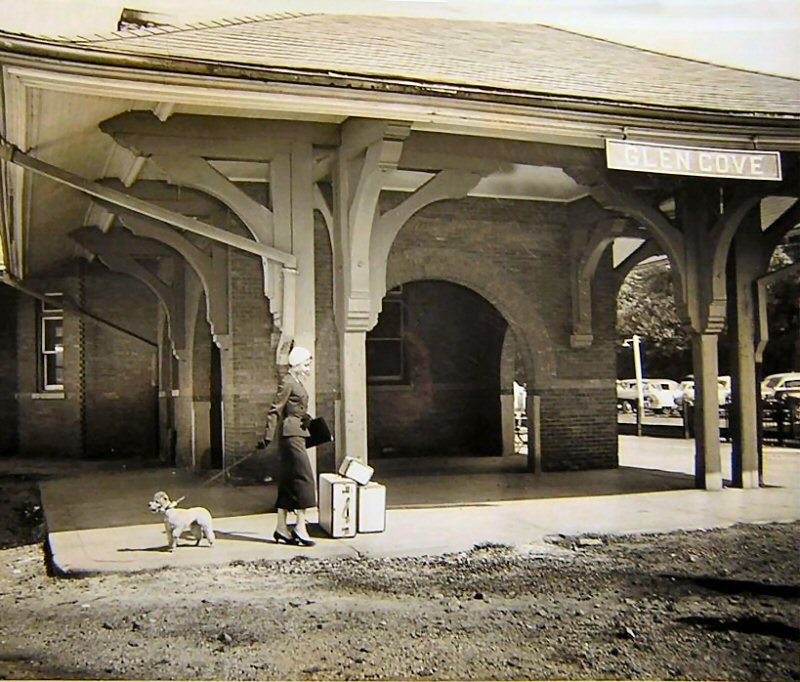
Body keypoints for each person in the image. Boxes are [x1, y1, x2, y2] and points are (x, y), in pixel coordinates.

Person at [263, 346, 317, 546]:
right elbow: (275, 409)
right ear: (296, 365)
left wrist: (307, 419)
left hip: (297, 432)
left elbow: (296, 409)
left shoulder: (296, 381)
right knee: (304, 479)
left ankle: (281, 528)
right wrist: (268, 436)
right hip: (291, 435)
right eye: (306, 364)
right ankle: (300, 527)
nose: (308, 368)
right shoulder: (287, 382)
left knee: (288, 480)